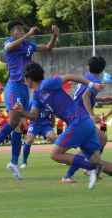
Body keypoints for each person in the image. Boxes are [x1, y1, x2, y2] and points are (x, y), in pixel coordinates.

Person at [0, 20, 59, 180]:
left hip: (25, 88)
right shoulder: (9, 43)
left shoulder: (28, 45)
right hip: (14, 86)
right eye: (18, 29)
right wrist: (29, 34)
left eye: (22, 29)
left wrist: (54, 36)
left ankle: (14, 163)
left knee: (18, 126)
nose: (21, 31)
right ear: (11, 32)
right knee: (13, 121)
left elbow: (48, 48)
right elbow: (10, 48)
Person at [16, 61, 112, 189]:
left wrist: (91, 84)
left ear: (28, 79)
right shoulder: (37, 96)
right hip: (83, 122)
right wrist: (22, 112)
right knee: (97, 160)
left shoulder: (47, 84)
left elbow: (69, 77)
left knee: (55, 154)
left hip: (78, 122)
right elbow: (33, 115)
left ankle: (92, 168)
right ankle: (93, 166)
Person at [61, 56, 108, 183]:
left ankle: (88, 169)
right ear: (102, 70)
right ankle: (69, 175)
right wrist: (92, 115)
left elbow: (86, 96)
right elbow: (85, 97)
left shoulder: (86, 77)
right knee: (90, 146)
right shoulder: (94, 80)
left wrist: (100, 101)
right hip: (80, 117)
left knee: (101, 140)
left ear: (89, 67)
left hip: (76, 115)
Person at [20, 101, 57, 169]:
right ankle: (24, 162)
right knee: (29, 140)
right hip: (34, 125)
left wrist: (53, 124)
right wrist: (25, 124)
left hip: (45, 125)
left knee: (54, 138)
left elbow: (52, 114)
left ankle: (62, 156)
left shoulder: (49, 102)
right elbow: (26, 113)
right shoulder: (32, 102)